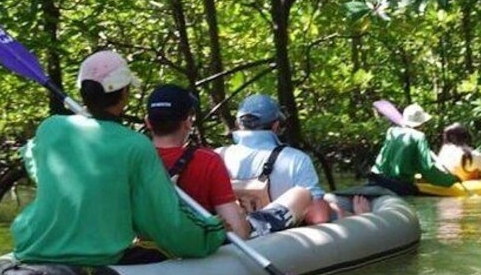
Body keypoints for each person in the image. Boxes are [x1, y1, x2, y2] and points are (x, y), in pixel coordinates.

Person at [11, 51, 225, 266]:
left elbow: (33, 160)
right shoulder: (136, 145)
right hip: (97, 257)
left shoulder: (51, 128)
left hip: (31, 248)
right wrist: (211, 232)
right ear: (124, 93)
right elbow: (162, 220)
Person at [145, 84, 313, 239]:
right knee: (302, 195)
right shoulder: (207, 160)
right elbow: (237, 229)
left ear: (148, 122)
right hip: (200, 240)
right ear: (188, 122)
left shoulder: (134, 157)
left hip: (152, 241)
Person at [216, 94, 362, 225]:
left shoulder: (217, 157)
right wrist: (332, 209)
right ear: (276, 125)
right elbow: (318, 217)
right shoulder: (296, 160)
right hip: (284, 246)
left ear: (237, 125)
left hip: (236, 242)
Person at [370, 103, 461, 195]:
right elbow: (427, 169)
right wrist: (450, 180)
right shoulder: (419, 137)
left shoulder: (392, 132)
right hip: (397, 185)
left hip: (376, 178)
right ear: (421, 123)